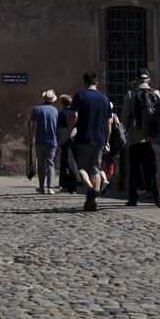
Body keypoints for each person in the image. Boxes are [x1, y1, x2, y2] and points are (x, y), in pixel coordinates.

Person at [60, 72, 112, 213]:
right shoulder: (104, 98)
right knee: (95, 169)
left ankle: (90, 190)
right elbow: (109, 122)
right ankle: (92, 202)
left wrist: (67, 135)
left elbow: (74, 116)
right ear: (97, 82)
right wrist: (107, 140)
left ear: (84, 82)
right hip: (100, 139)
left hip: (84, 137)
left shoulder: (80, 95)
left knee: (81, 167)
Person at [120, 69, 160, 206]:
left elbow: (124, 117)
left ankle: (132, 199)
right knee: (155, 168)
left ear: (136, 81)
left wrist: (127, 131)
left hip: (135, 138)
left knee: (134, 169)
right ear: (149, 81)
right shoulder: (156, 94)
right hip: (153, 138)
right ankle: (157, 197)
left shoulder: (131, 94)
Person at [29, 90, 60, 195]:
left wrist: (30, 137)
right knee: (51, 164)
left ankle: (41, 187)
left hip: (40, 140)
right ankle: (50, 187)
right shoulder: (55, 110)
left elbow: (34, 125)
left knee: (41, 164)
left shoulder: (37, 109)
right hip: (53, 141)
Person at [56, 94, 80, 193]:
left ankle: (64, 185)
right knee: (73, 161)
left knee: (65, 162)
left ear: (62, 103)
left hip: (64, 138)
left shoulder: (61, 114)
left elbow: (58, 128)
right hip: (75, 138)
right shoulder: (75, 113)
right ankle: (72, 186)